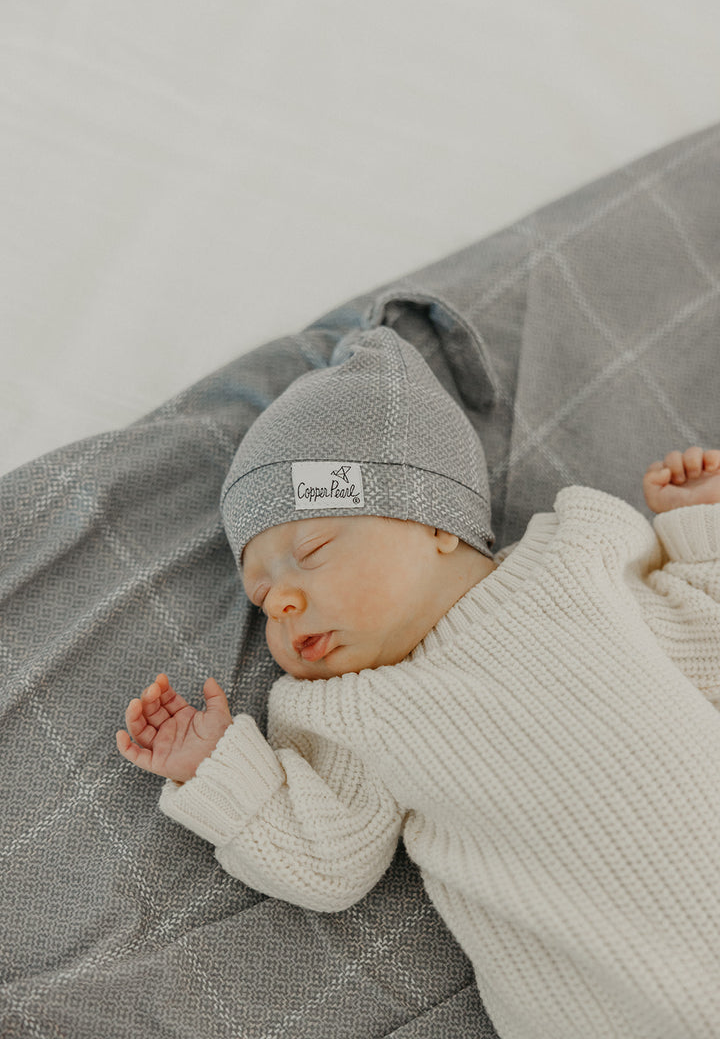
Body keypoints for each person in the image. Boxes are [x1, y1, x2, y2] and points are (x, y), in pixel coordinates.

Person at [117, 326, 720, 1039]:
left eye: (312, 549)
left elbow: (703, 640)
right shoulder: (352, 709)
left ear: (435, 523)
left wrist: (701, 524)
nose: (281, 603)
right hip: (612, 1003)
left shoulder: (579, 561)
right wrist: (218, 768)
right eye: (261, 597)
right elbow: (327, 859)